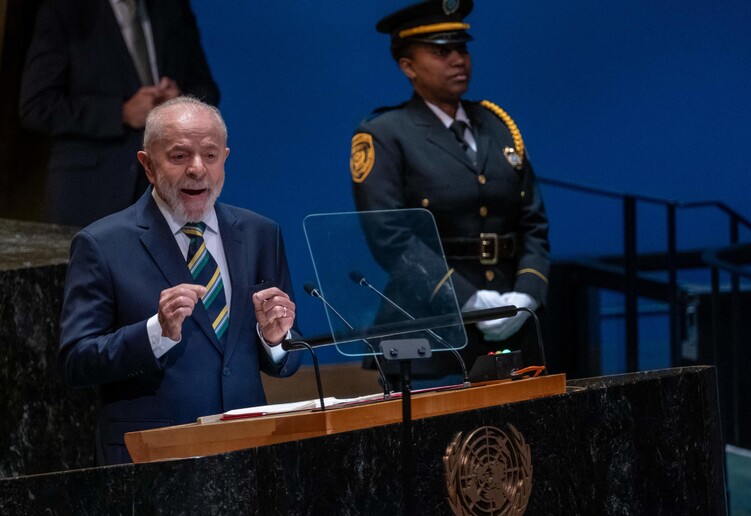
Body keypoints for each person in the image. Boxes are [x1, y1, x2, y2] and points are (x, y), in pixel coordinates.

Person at [58, 96, 301, 465]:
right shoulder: (102, 244)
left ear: (225, 160)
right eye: (179, 156)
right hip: (154, 457)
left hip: (248, 451)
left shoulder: (260, 233)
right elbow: (76, 361)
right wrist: (157, 332)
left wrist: (275, 340)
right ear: (148, 165)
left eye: (210, 155)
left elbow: (284, 357)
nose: (197, 169)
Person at [350, 0, 550, 386]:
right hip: (430, 326)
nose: (458, 59)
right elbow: (389, 237)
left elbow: (534, 222)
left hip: (515, 318)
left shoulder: (497, 126)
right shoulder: (385, 134)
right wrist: (470, 301)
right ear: (408, 66)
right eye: (442, 52)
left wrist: (527, 294)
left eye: (462, 49)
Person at [20, 0, 220, 227]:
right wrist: (121, 112)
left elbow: (207, 91)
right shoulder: (65, 10)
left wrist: (180, 103)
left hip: (164, 194)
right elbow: (37, 106)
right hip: (88, 194)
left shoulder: (171, 8)